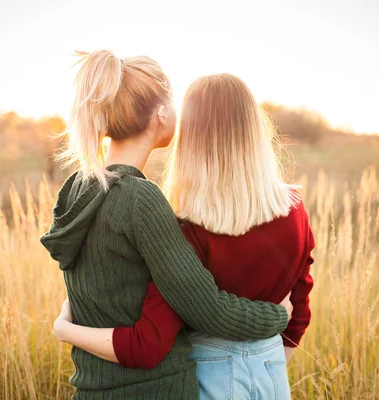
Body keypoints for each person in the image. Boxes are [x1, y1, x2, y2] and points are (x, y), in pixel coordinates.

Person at [40, 50, 291, 400]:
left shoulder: (77, 190)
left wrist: (66, 330)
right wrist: (277, 316)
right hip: (154, 391)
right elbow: (207, 308)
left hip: (91, 389)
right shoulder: (140, 199)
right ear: (160, 113)